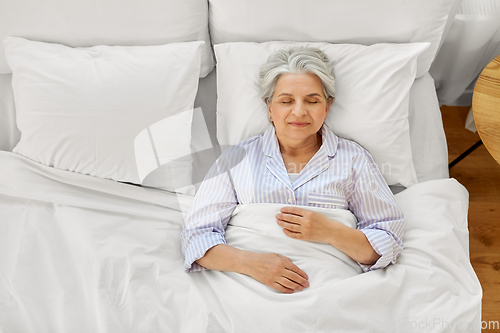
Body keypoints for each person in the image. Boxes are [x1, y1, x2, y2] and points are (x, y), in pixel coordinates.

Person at [180, 46, 405, 294]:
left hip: (330, 290)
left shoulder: (354, 159)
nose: (299, 111)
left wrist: (330, 230)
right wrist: (252, 263)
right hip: (246, 288)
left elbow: (387, 241)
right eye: (286, 101)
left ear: (327, 106)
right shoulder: (235, 159)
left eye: (312, 100)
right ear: (269, 107)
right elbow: (197, 235)